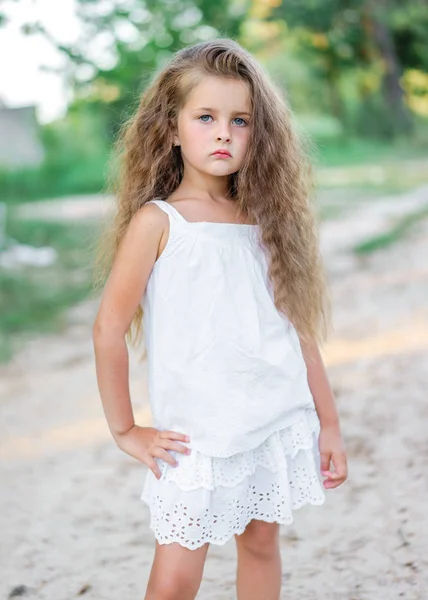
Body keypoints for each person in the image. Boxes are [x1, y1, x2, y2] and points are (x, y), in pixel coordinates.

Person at [92, 37, 348, 600]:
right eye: (206, 117)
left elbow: (297, 330)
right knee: (178, 576)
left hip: (272, 417)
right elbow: (108, 327)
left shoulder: (265, 221)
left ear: (261, 133)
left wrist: (327, 423)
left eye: (241, 120)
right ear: (173, 127)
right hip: (195, 436)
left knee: (260, 545)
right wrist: (126, 430)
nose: (224, 132)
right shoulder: (158, 224)